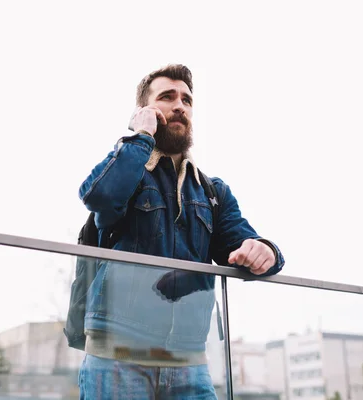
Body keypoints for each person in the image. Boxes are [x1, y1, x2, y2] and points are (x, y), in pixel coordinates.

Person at [77, 64, 285, 399]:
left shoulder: (212, 191)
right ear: (144, 110)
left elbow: (244, 242)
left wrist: (266, 251)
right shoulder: (128, 170)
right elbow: (99, 195)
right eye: (167, 97)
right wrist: (140, 137)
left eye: (187, 100)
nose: (180, 105)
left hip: (189, 362)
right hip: (117, 357)